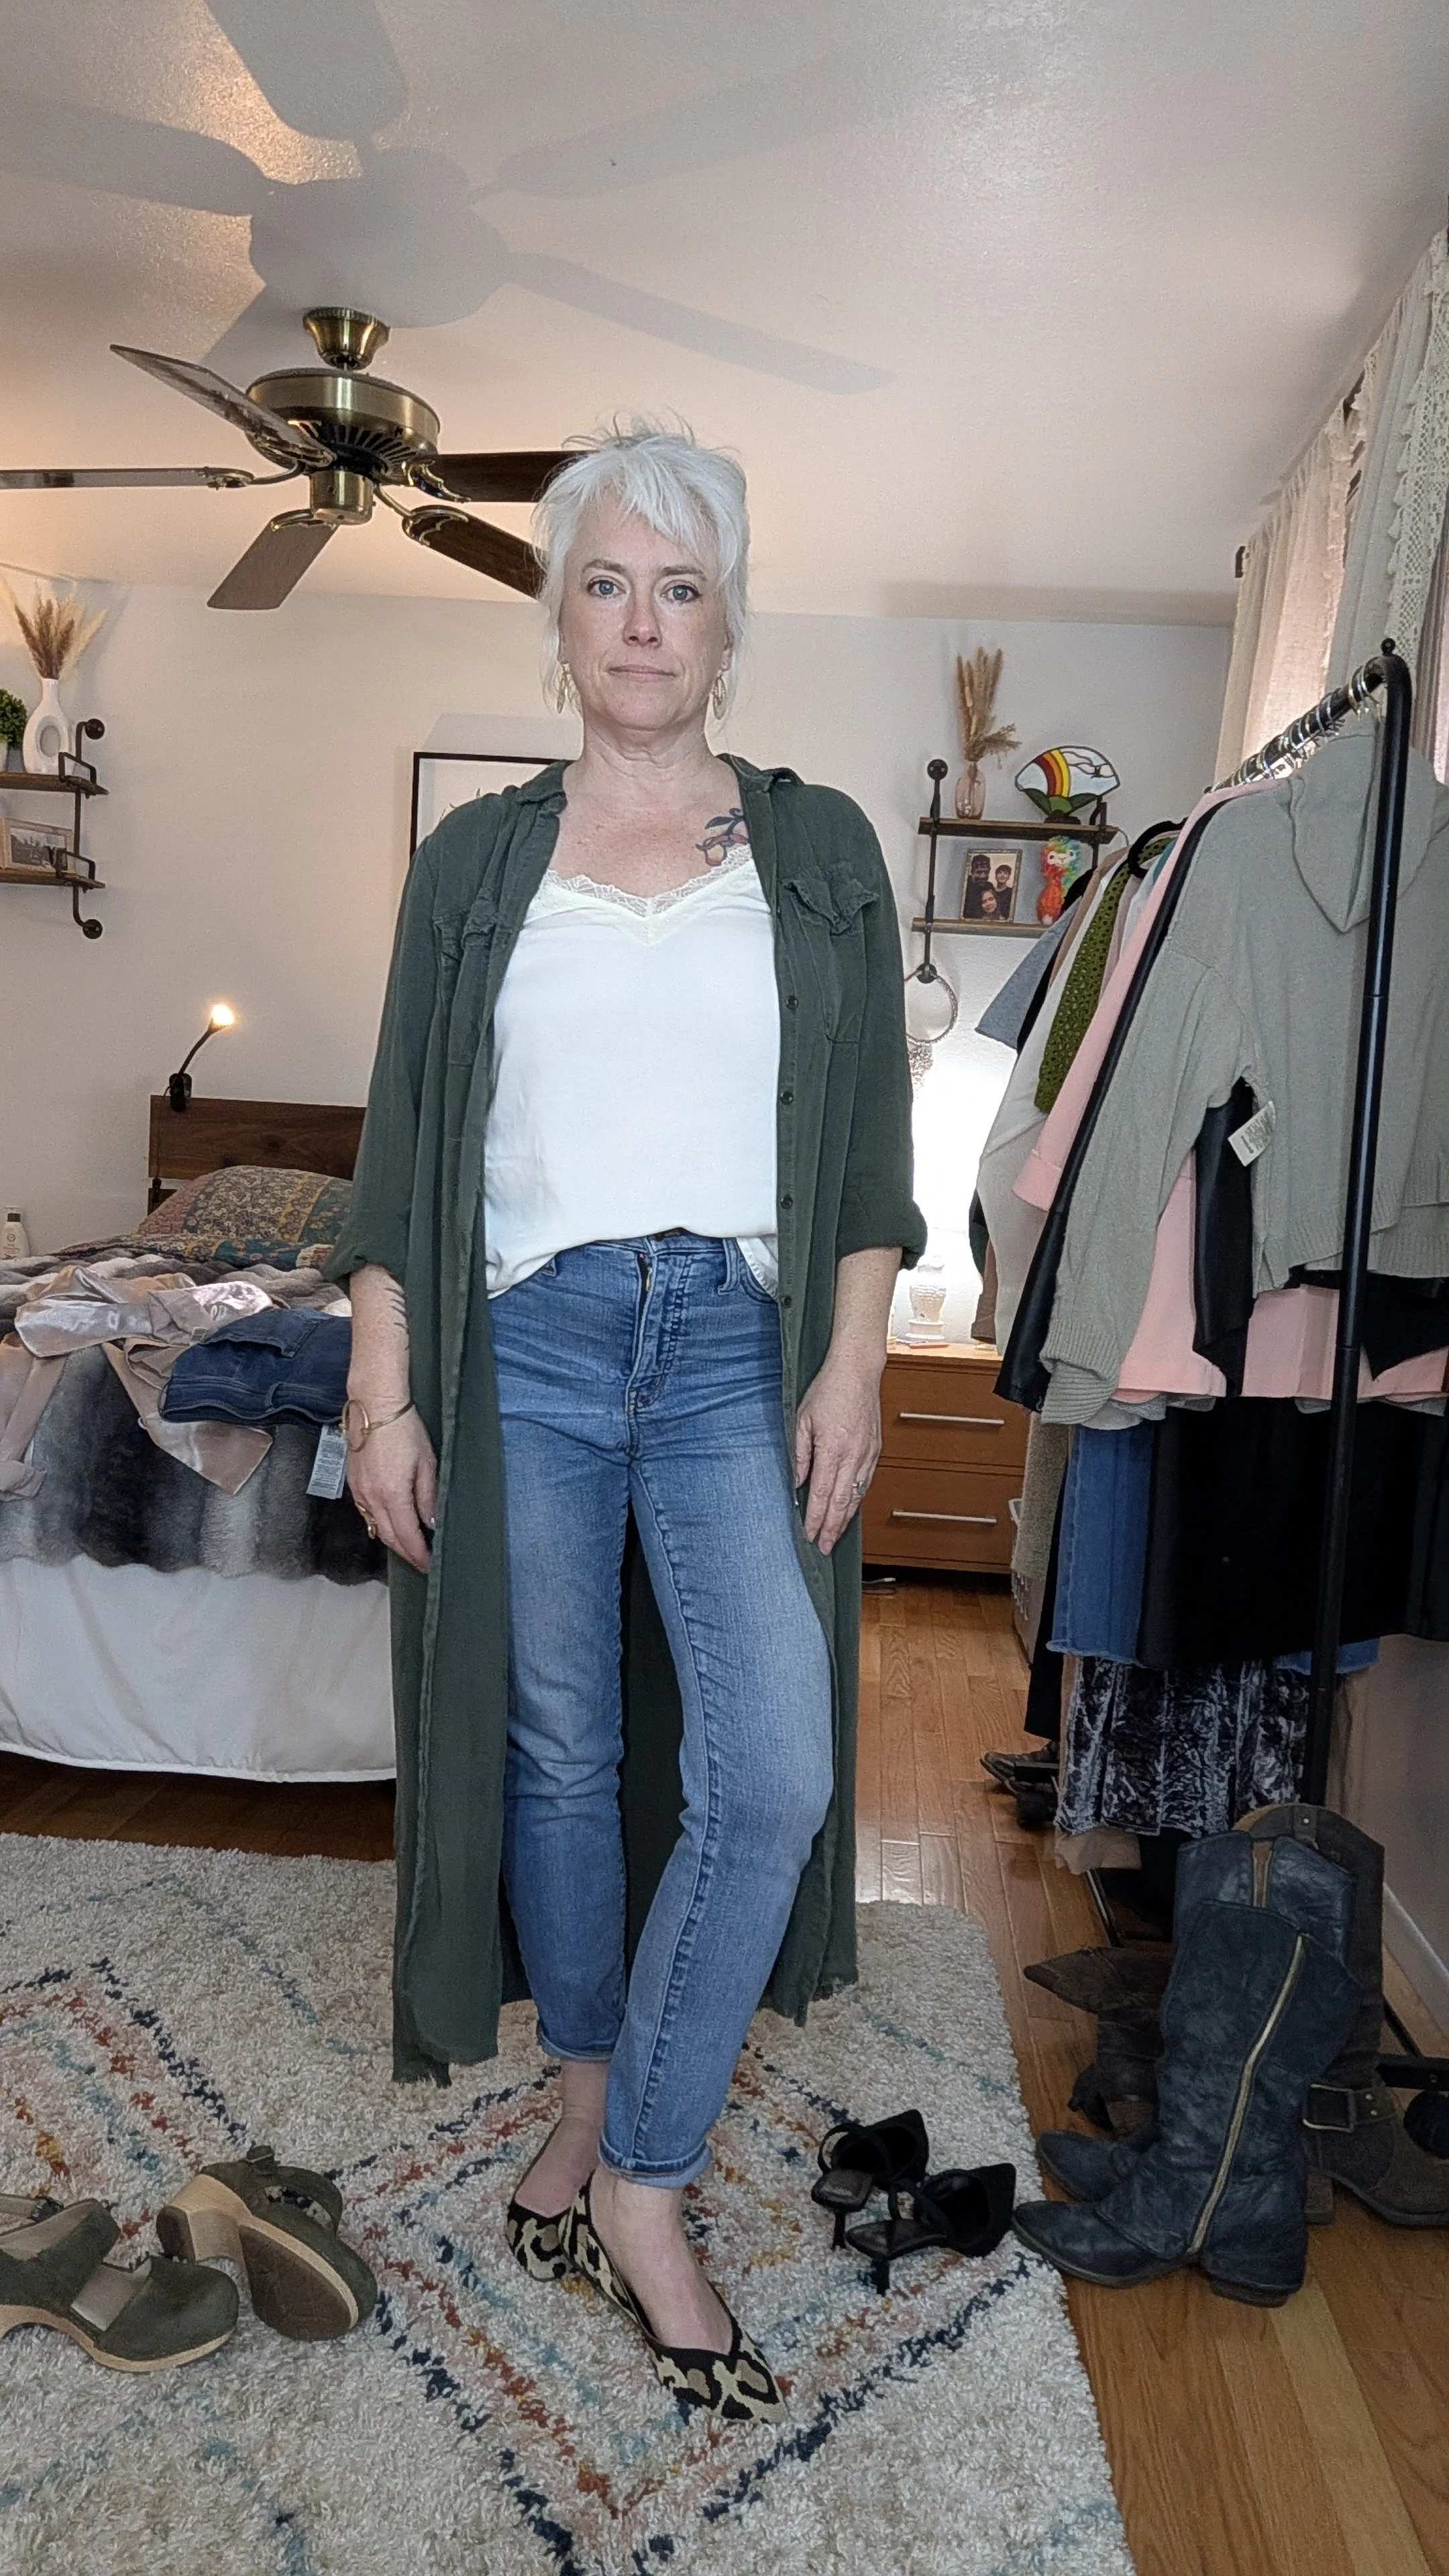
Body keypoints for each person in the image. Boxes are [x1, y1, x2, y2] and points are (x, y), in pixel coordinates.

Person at [331, 423, 924, 2419]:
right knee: (563, 1754)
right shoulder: (475, 864)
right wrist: (382, 1390)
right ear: (561, 619)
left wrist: (856, 1360)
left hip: (738, 1342)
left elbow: (866, 1144)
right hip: (531, 1345)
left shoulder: (820, 852)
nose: (644, 622)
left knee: (770, 1769)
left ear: (728, 620)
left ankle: (644, 2168)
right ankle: (599, 2122)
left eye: (681, 587)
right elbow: (403, 1150)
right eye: (607, 583)